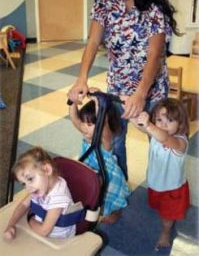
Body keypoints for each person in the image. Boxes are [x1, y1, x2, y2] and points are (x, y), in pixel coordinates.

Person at [67, 0, 180, 180]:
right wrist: (82, 78)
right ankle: (117, 191)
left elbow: (155, 54)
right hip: (118, 85)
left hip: (152, 88)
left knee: (159, 141)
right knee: (115, 140)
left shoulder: (153, 0)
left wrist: (140, 93)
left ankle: (162, 189)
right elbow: (93, 40)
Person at [130, 98, 190, 249]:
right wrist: (129, 112)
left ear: (181, 124)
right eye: (159, 119)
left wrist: (150, 124)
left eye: (169, 120)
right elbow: (141, 127)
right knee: (158, 207)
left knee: (167, 215)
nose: (163, 124)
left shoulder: (180, 142)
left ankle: (165, 231)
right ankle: (165, 220)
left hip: (172, 189)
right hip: (155, 183)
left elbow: (164, 138)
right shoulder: (155, 132)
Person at [69, 93, 131, 224]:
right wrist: (72, 102)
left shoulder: (105, 141)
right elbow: (75, 119)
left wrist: (99, 104)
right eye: (84, 122)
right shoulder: (87, 135)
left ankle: (116, 212)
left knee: (109, 200)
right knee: (92, 194)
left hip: (108, 178)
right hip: (92, 174)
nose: (84, 127)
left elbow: (103, 126)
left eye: (90, 124)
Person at [3, 147, 76, 240]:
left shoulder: (59, 197)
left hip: (57, 241)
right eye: (23, 184)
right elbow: (23, 205)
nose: (28, 188)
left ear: (47, 170)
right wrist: (11, 225)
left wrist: (30, 219)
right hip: (39, 233)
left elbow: (44, 231)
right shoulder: (41, 187)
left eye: (30, 179)